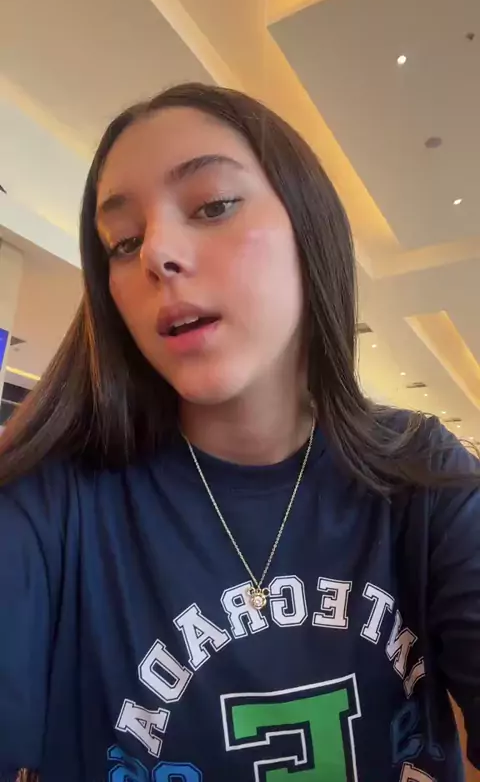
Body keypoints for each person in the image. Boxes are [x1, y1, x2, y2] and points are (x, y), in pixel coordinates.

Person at [0, 83, 479, 782]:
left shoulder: (422, 476)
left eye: (213, 205)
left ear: (309, 226)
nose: (156, 253)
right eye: (123, 242)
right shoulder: (54, 504)